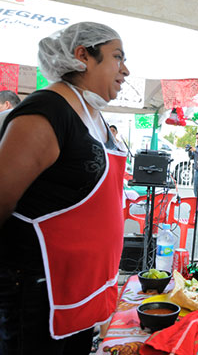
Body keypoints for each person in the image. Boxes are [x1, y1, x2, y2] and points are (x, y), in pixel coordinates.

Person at [0, 22, 130, 354]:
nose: (125, 70)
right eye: (117, 57)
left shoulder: (94, 115)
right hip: (37, 293)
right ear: (83, 55)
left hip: (80, 291)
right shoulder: (46, 112)